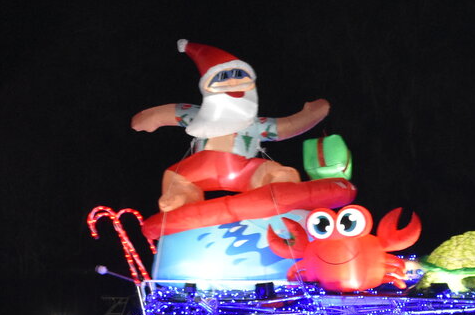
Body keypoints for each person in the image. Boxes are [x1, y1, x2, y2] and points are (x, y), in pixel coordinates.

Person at [131, 39, 332, 212]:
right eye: (223, 78)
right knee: (175, 178)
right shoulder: (197, 115)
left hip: (244, 169)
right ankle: (180, 198)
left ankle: (278, 187)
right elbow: (164, 113)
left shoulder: (254, 124)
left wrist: (311, 114)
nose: (233, 84)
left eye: (239, 77)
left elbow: (287, 126)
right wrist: (147, 118)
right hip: (200, 169)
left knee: (278, 172)